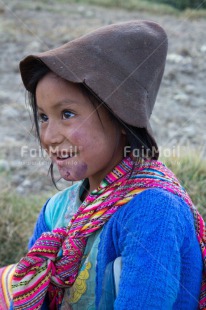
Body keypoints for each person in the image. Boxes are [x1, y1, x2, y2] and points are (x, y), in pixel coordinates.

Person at [0, 20, 205, 310]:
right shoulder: (57, 211)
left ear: (122, 118)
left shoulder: (153, 211)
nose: (49, 136)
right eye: (44, 117)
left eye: (68, 114)